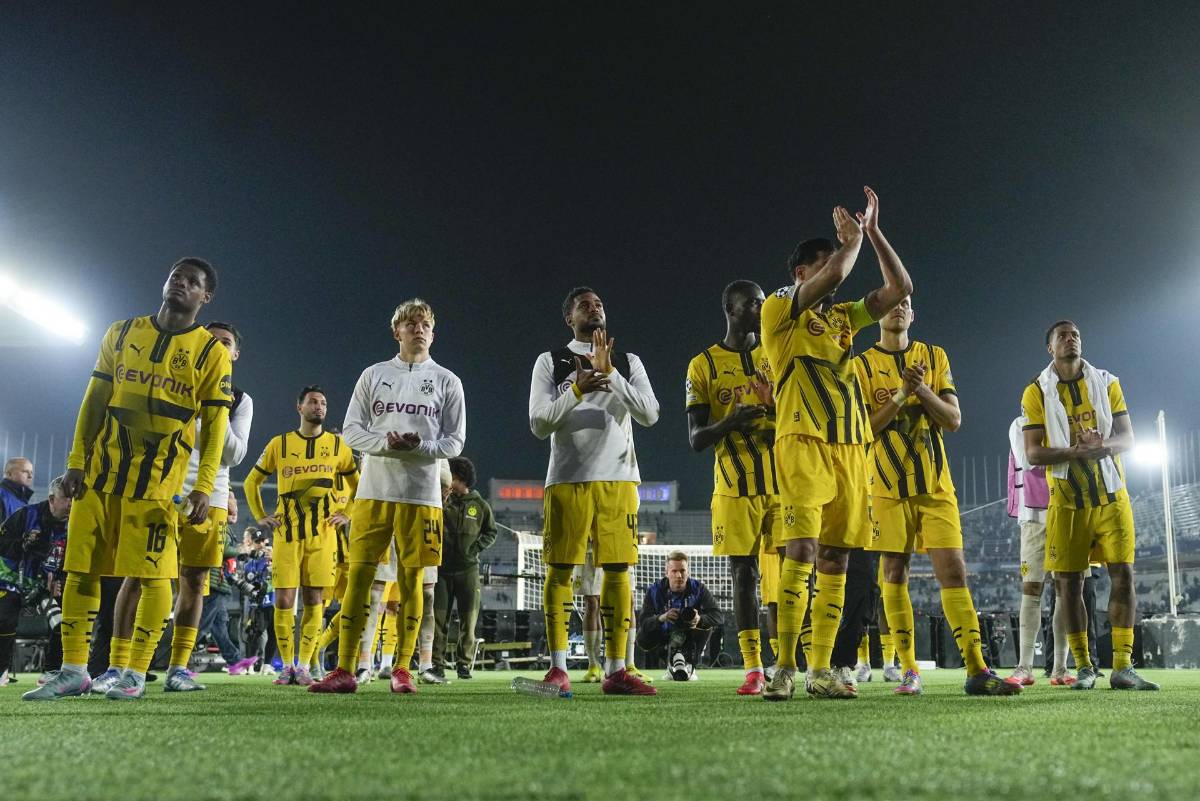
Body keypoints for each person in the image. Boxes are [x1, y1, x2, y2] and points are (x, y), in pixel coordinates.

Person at [25, 257, 233, 702]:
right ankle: (74, 670)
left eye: (193, 281)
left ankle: (135, 672)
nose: (181, 283)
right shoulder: (120, 333)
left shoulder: (211, 353)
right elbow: (94, 399)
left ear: (205, 297)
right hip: (100, 474)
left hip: (157, 485)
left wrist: (203, 485)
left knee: (153, 576)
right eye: (177, 275)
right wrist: (76, 460)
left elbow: (215, 428)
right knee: (80, 568)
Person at [759, 187, 912, 701]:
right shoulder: (780, 308)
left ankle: (820, 670)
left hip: (852, 447)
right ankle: (782, 667)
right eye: (820, 265)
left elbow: (901, 286)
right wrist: (850, 247)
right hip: (802, 440)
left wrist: (873, 234)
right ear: (802, 273)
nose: (833, 270)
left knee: (838, 561)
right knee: (801, 550)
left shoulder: (844, 318)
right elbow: (841, 272)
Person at [854, 295, 1018, 696]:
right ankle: (909, 671)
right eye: (891, 302)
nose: (898, 307)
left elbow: (954, 419)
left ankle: (977, 669)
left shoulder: (934, 355)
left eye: (905, 302)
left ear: (912, 313)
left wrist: (921, 390)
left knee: (954, 572)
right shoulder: (859, 366)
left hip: (935, 485)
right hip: (886, 487)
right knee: (894, 573)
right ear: (879, 312)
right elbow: (863, 430)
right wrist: (898, 395)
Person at [310, 297, 465, 694]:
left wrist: (419, 447)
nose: (419, 329)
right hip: (374, 492)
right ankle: (344, 669)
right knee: (360, 577)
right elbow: (351, 432)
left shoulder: (448, 381)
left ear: (433, 331)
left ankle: (402, 669)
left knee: (414, 583)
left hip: (422, 496)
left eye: (425, 323)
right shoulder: (374, 374)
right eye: (411, 323)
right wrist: (386, 443)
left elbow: (455, 441)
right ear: (396, 331)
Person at [93, 321, 254, 694]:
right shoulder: (172, 381)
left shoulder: (241, 400)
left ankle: (178, 669)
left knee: (194, 582)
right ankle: (117, 665)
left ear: (235, 354)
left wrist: (218, 406)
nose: (216, 346)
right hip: (159, 489)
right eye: (210, 340)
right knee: (139, 575)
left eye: (225, 343)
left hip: (209, 497)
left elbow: (235, 453)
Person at [529, 287, 660, 696]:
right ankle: (558, 668)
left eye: (600, 303)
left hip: (619, 480)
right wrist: (578, 389)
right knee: (561, 570)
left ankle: (617, 670)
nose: (595, 308)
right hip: (567, 478)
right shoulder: (551, 361)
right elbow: (538, 423)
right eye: (585, 304)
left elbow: (650, 414)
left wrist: (612, 374)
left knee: (619, 569)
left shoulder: (628, 360)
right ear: (569, 317)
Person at [1020, 320, 1158, 690]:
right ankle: (1083, 666)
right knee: (1068, 585)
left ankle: (1122, 667)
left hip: (1111, 497)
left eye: (1076, 334)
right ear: (1050, 347)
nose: (1071, 338)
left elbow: (1127, 438)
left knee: (1123, 574)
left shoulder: (1108, 382)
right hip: (1067, 502)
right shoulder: (1036, 392)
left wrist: (1102, 447)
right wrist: (1075, 451)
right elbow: (1033, 452)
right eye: (1062, 334)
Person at [685, 279, 778, 695]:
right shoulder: (702, 364)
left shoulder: (776, 352)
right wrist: (731, 421)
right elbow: (696, 439)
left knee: (793, 572)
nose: (761, 308)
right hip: (734, 486)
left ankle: (795, 660)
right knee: (744, 572)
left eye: (763, 302)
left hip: (784, 482)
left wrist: (773, 408)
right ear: (730, 308)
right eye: (753, 303)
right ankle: (755, 668)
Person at [243, 385, 358, 686]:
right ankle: (286, 667)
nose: (319, 407)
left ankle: (304, 665)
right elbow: (251, 481)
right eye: (313, 402)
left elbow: (359, 485)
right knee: (283, 600)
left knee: (314, 600)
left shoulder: (338, 447)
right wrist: (260, 515)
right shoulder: (279, 444)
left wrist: (348, 513)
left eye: (323, 403)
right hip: (287, 535)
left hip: (322, 536)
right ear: (299, 408)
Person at [1007, 415, 1072, 686]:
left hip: (1067, 511)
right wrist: (1070, 452)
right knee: (1032, 589)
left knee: (1065, 591)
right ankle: (1024, 667)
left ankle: (1060, 669)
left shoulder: (1063, 420)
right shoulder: (1020, 424)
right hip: (1034, 516)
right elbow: (1030, 459)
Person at [0, 475, 72, 685]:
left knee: (63, 623)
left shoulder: (76, 524)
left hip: (45, 587)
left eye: (73, 499)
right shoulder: (25, 515)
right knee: (4, 620)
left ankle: (50, 672)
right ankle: (1, 670)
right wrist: (22, 543)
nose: (71, 504)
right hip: (11, 580)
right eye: (66, 498)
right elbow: (2, 544)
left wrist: (59, 581)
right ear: (51, 499)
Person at [431, 456, 496, 681]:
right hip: (442, 570)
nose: (449, 483)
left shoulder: (480, 506)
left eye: (453, 479)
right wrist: (439, 500)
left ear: (462, 480)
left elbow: (491, 532)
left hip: (468, 571)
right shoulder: (442, 501)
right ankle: (436, 665)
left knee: (468, 622)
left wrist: (474, 548)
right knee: (438, 620)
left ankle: (464, 665)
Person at [636, 551, 723, 680]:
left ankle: (691, 664)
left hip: (690, 633)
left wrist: (699, 619)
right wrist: (662, 618)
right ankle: (668, 662)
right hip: (664, 634)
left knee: (707, 626)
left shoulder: (698, 588)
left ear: (688, 572)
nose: (679, 575)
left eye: (682, 571)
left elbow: (718, 616)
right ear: (667, 573)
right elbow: (643, 620)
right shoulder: (655, 590)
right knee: (643, 636)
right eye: (674, 571)